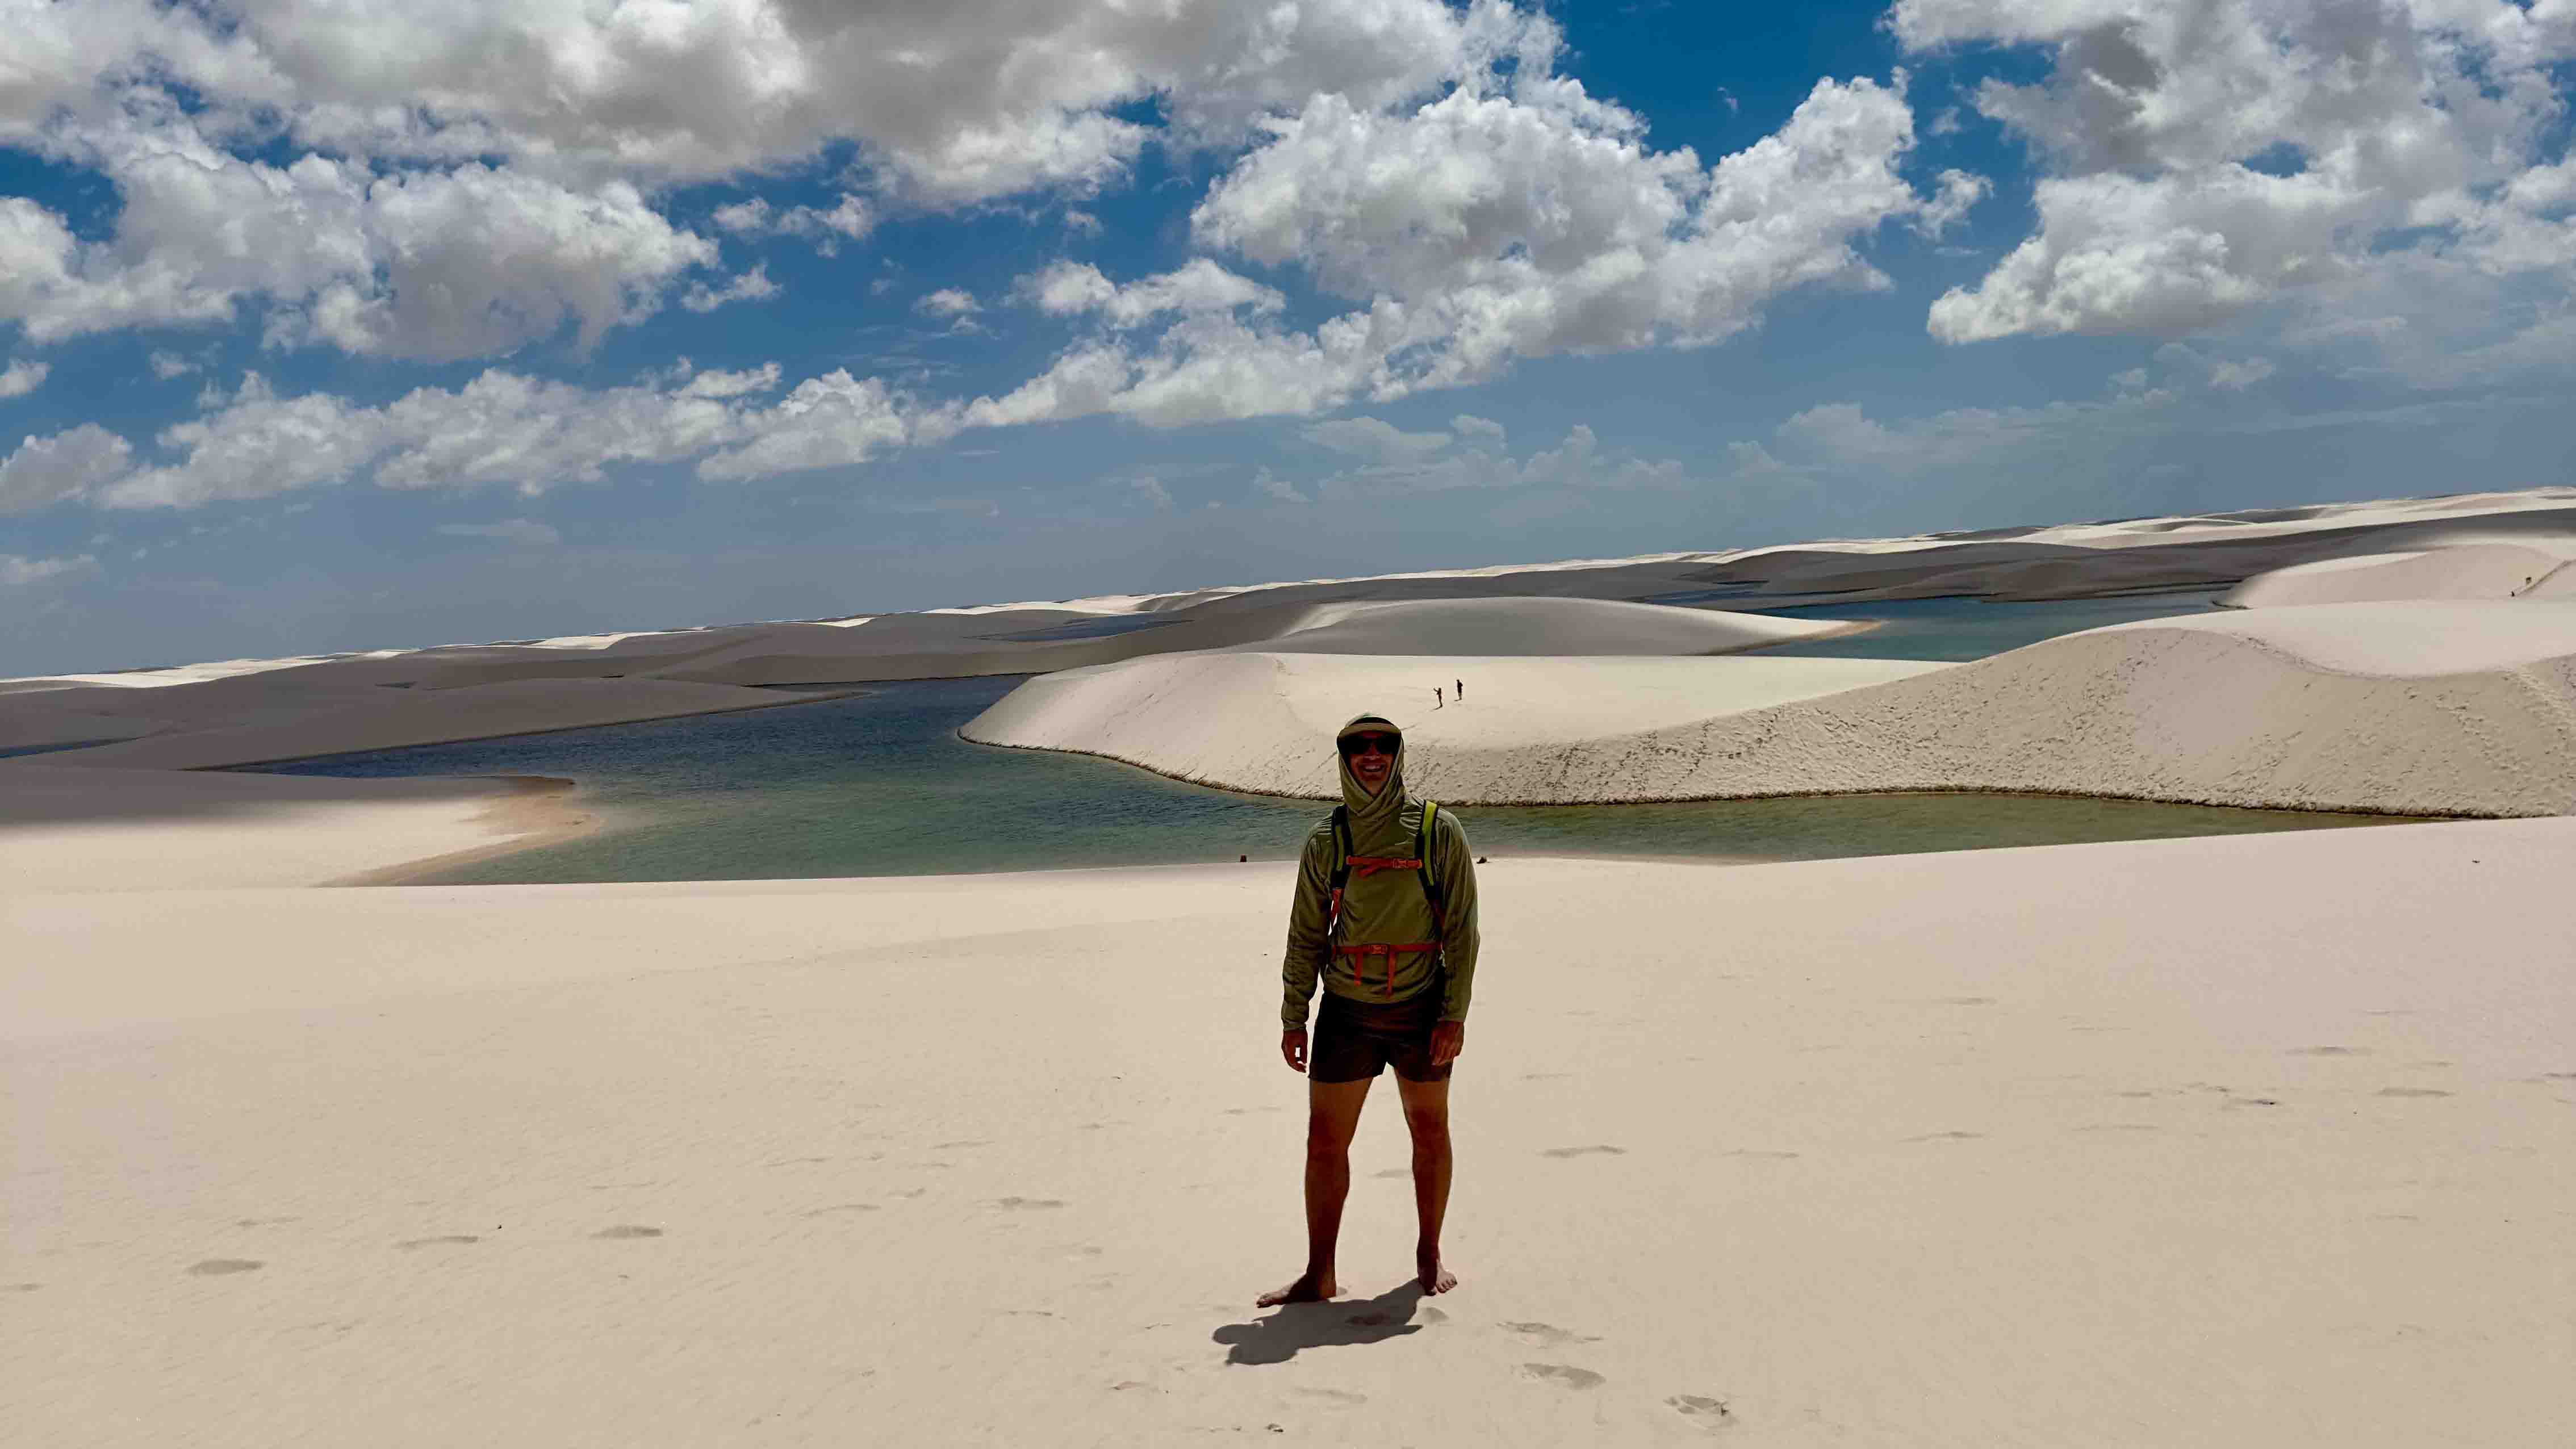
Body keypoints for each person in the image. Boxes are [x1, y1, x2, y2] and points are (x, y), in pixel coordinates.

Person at [1262, 714, 1479, 1305]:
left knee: (1430, 1131)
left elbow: (1463, 931)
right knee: (1323, 1142)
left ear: (1399, 754)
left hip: (1421, 1009)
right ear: (1344, 757)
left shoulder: (1440, 831)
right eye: (1358, 746)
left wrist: (1453, 1014)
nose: (1372, 755)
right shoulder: (1326, 841)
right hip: (1347, 1012)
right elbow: (1305, 933)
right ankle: (1319, 1272)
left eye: (1384, 745)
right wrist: (1292, 1014)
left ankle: (1429, 1253)